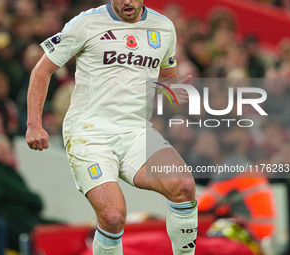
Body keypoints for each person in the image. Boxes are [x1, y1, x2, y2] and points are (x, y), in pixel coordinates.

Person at [26, 1, 197, 254]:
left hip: (136, 130)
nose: (126, 1)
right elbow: (42, 70)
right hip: (89, 134)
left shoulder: (163, 27)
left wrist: (172, 90)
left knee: (183, 186)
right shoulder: (85, 23)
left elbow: (166, 77)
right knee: (113, 216)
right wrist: (33, 124)